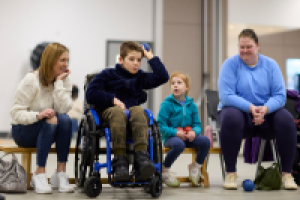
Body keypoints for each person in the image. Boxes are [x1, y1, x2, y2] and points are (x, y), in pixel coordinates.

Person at [218, 29, 298, 190]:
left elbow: (280, 96)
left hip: (266, 114)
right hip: (239, 114)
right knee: (231, 117)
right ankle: (230, 174)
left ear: (258, 46)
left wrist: (265, 109)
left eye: (249, 47)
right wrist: (251, 108)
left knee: (287, 120)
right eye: (242, 47)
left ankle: (287, 175)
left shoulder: (271, 65)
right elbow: (226, 95)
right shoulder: (230, 64)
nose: (245, 51)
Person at [86, 41, 169, 182]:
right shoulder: (108, 74)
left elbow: (163, 77)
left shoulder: (140, 77)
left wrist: (150, 57)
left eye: (139, 60)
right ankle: (119, 160)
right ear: (121, 59)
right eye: (131, 59)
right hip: (110, 113)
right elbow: (90, 93)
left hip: (132, 115)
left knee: (138, 109)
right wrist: (112, 100)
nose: (136, 63)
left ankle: (142, 158)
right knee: (118, 112)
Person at [10, 43, 74, 194]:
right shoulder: (31, 79)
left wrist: (58, 84)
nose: (66, 64)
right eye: (62, 60)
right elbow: (15, 113)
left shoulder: (64, 80)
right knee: (51, 120)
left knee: (65, 119)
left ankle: (60, 173)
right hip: (23, 131)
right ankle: (39, 173)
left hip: (48, 129)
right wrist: (38, 115)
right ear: (51, 61)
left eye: (67, 60)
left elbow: (63, 109)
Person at [157, 72, 211, 187]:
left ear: (186, 87)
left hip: (187, 137)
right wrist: (176, 133)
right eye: (173, 83)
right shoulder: (166, 104)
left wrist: (193, 132)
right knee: (179, 144)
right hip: (171, 137)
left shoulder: (192, 105)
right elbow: (161, 126)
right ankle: (164, 169)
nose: (175, 85)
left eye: (179, 83)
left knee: (205, 141)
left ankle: (196, 167)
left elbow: (197, 125)